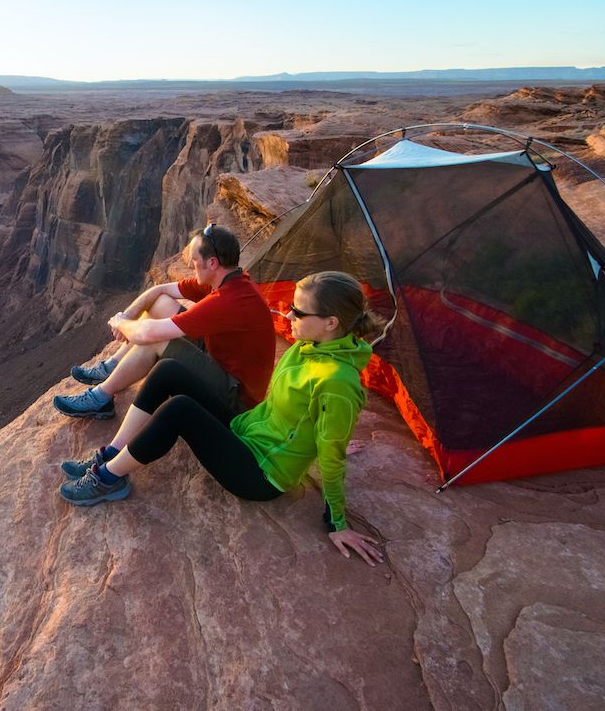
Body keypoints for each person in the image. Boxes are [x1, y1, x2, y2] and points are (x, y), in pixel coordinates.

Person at [58, 270, 384, 565]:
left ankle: (108, 479)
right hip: (247, 430)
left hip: (260, 473)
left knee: (179, 410)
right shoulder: (309, 346)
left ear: (331, 323)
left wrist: (337, 523)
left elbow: (332, 455)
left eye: (298, 311)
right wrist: (326, 432)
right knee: (169, 369)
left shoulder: (337, 382)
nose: (289, 314)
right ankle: (114, 453)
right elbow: (313, 419)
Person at [52, 223, 274, 421]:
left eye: (194, 260)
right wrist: (129, 314)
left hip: (235, 398)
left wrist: (121, 323)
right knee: (160, 304)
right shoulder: (226, 278)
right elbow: (159, 291)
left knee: (155, 339)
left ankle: (101, 397)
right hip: (219, 361)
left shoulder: (228, 300)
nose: (190, 264)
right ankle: (112, 366)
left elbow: (148, 334)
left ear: (212, 263)